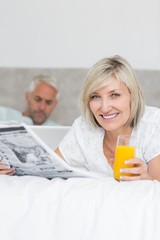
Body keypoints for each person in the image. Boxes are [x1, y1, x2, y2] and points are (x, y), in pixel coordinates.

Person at [54, 55, 160, 181]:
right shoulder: (83, 127)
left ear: (133, 95)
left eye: (114, 95)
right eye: (95, 97)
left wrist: (144, 178)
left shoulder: (153, 123)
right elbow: (49, 168)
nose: (104, 108)